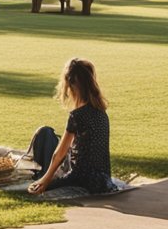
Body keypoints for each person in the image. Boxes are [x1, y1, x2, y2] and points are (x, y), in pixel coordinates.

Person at [28, 58, 116, 195]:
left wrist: (44, 181)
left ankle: (39, 175)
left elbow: (59, 154)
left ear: (71, 85)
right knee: (50, 135)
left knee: (44, 135)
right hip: (103, 179)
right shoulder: (101, 112)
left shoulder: (77, 116)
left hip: (81, 179)